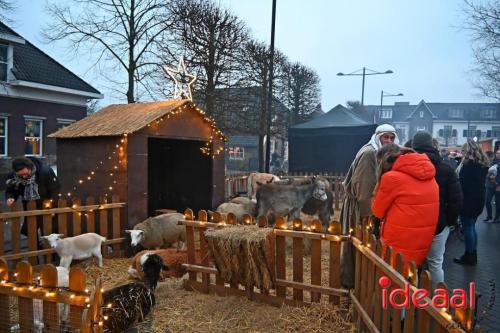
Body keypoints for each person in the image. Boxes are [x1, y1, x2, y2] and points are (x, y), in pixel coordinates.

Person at [340, 124, 398, 288]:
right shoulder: (370, 153)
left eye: (391, 138)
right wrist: (368, 217)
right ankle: (351, 284)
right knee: (357, 245)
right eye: (385, 137)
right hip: (360, 208)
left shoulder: (376, 152)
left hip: (363, 205)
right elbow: (363, 187)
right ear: (377, 136)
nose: (388, 141)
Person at [372, 144, 439, 274]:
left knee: (393, 279)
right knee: (412, 278)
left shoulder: (391, 178)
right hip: (421, 240)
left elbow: (377, 211)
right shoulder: (430, 176)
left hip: (398, 240)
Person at [412, 131, 462, 288]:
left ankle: (410, 300)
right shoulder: (446, 169)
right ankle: (437, 303)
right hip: (438, 223)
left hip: (412, 223)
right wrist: (449, 222)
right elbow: (456, 199)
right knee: (436, 264)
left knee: (411, 263)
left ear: (413, 146)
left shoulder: (406, 166)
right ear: (432, 145)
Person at [5, 157, 60, 245]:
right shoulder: (12, 176)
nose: (24, 176)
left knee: (48, 231)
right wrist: (10, 197)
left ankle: (49, 254)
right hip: (29, 206)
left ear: (30, 168)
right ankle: (35, 251)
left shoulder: (45, 172)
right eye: (20, 175)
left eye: (26, 173)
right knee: (31, 231)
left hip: (46, 206)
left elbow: (55, 191)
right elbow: (11, 191)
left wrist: (53, 207)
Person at [454, 141, 489, 265]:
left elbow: (462, 185)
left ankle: (469, 256)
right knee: (472, 228)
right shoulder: (483, 164)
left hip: (468, 201)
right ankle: (472, 254)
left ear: (467, 151)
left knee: (468, 228)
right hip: (478, 200)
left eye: (463, 151)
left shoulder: (468, 165)